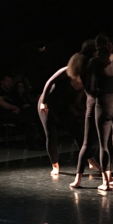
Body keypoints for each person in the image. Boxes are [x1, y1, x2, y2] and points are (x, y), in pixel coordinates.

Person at [39, 43, 100, 177]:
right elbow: (49, 82)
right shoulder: (67, 71)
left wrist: (80, 109)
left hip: (63, 106)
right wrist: (43, 102)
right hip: (48, 102)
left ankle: (91, 161)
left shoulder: (87, 77)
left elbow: (80, 96)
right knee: (51, 134)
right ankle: (55, 165)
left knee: (77, 131)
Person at [86, 35, 113, 191]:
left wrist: (98, 94)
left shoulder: (94, 62)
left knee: (104, 144)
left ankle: (106, 182)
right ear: (110, 45)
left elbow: (89, 88)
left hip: (104, 104)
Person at [70, 40, 102, 187]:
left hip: (90, 105)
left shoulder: (81, 66)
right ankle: (108, 177)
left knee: (86, 143)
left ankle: (78, 178)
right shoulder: (93, 66)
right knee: (104, 142)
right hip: (100, 104)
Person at [0, 74, 39, 149]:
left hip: (10, 114)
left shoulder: (9, 93)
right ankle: (33, 144)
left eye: (11, 81)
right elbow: (3, 104)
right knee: (27, 120)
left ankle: (34, 142)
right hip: (0, 115)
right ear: (2, 82)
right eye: (7, 81)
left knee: (30, 118)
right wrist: (14, 107)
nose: (9, 83)